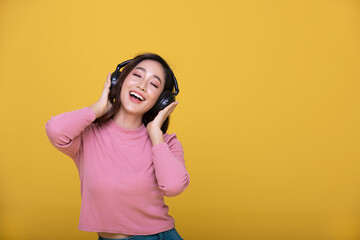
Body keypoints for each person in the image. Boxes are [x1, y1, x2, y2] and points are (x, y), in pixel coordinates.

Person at [45, 53, 190, 240]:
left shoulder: (166, 143)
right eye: (137, 75)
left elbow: (173, 186)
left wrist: (155, 134)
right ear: (118, 81)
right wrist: (97, 108)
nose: (142, 86)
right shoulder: (88, 135)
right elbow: (55, 130)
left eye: (153, 84)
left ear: (162, 101)